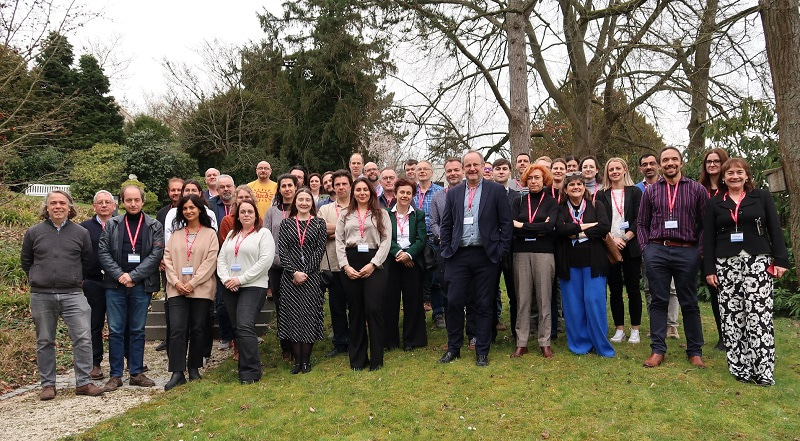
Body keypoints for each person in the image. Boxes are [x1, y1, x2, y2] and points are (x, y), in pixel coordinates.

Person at [704, 158, 788, 385]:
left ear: (747, 176)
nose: (734, 176)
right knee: (732, 316)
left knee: (758, 315)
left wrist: (780, 260)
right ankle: (739, 367)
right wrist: (709, 269)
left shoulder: (760, 197)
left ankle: (763, 370)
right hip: (726, 264)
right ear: (723, 177)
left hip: (757, 262)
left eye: (739, 172)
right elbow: (708, 238)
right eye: (729, 173)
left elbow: (775, 229)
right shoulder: (714, 203)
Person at [21, 190, 105, 400]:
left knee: (83, 338)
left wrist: (75, 278)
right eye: (53, 203)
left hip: (73, 293)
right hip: (42, 294)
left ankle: (84, 382)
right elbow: (26, 261)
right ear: (47, 208)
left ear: (70, 207)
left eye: (62, 203)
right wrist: (37, 277)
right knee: (45, 340)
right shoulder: (33, 232)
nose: (58, 207)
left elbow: (87, 261)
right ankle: (48, 385)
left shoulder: (81, 233)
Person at [438, 151, 512, 367]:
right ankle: (454, 348)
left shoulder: (496, 191)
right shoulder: (454, 193)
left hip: (486, 255)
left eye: (475, 165)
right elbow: (446, 224)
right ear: (462, 168)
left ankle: (482, 350)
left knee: (483, 304)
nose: (471, 169)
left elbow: (506, 224)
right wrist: (446, 246)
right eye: (467, 165)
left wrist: (500, 252)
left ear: (482, 167)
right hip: (458, 255)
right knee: (454, 302)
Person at [637, 146, 707, 369]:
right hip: (657, 249)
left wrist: (699, 251)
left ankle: (694, 351)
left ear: (681, 162)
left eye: (674, 159)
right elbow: (641, 223)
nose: (669, 163)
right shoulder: (651, 191)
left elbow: (705, 224)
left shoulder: (696, 189)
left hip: (687, 250)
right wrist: (646, 249)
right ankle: (658, 350)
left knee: (689, 302)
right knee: (658, 301)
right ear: (659, 164)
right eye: (665, 160)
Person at [98, 185, 164, 391]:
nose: (133, 204)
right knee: (116, 330)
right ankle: (115, 375)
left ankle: (136, 372)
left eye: (137, 200)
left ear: (143, 201)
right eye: (129, 200)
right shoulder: (112, 224)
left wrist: (133, 276)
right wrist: (120, 275)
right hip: (115, 285)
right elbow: (103, 251)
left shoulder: (154, 225)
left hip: (141, 285)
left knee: (137, 330)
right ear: (122, 202)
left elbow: (156, 255)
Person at [162, 195, 219, 391]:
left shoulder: (210, 234)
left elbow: (211, 261)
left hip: (201, 290)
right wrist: (177, 282)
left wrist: (193, 283)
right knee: (177, 329)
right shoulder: (176, 234)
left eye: (192, 207)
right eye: (185, 208)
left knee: (197, 329)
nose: (188, 211)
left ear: (200, 210)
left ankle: (194, 367)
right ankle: (177, 372)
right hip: (176, 289)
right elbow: (167, 260)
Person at [335, 177, 392, 371]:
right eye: (358, 189)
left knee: (373, 308)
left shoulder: (381, 213)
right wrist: (345, 266)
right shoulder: (345, 214)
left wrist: (374, 264)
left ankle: (376, 359)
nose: (362, 193)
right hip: (351, 263)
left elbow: (386, 241)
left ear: (371, 192)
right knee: (356, 311)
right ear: (353, 192)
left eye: (365, 190)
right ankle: (358, 359)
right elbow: (339, 242)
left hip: (374, 263)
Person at [555, 173, 614, 358]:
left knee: (594, 302)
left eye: (579, 184)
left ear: (584, 187)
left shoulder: (597, 205)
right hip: (569, 263)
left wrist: (576, 233)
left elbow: (604, 226)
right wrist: (585, 227)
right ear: (565, 189)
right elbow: (559, 228)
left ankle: (599, 343)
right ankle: (580, 344)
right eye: (571, 184)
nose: (576, 187)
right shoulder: (561, 207)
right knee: (573, 306)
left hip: (594, 263)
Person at [218, 200, 274, 384]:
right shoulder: (232, 235)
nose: (246, 215)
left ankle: (251, 371)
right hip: (230, 286)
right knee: (238, 328)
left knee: (244, 325)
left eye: (250, 211)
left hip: (254, 286)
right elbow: (221, 259)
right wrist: (226, 279)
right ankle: (243, 367)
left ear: (256, 215)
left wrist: (240, 279)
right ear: (238, 215)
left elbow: (265, 262)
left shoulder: (263, 234)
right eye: (243, 211)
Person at [277, 188, 328, 374]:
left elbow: (319, 250)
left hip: (312, 277)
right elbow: (283, 252)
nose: (304, 203)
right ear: (295, 202)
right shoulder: (286, 224)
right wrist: (294, 272)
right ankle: (296, 361)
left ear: (312, 203)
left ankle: (306, 360)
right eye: (301, 199)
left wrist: (304, 272)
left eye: (307, 199)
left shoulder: (319, 224)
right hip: (290, 279)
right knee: (292, 318)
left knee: (308, 317)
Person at [510, 164, 559, 358]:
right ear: (525, 181)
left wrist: (523, 225)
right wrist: (537, 227)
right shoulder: (518, 201)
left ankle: (544, 342)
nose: (533, 181)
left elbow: (550, 228)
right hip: (521, 253)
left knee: (544, 298)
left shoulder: (551, 202)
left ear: (544, 179)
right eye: (530, 178)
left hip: (544, 253)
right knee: (522, 299)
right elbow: (511, 226)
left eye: (537, 178)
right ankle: (521, 342)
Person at [599, 158, 644, 344]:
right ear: (607, 173)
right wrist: (613, 240)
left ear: (625, 170)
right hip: (610, 246)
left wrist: (625, 238)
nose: (615, 172)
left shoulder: (635, 192)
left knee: (633, 289)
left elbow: (640, 219)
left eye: (618, 168)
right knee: (615, 289)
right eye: (611, 169)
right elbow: (600, 220)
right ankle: (619, 329)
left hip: (630, 245)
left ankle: (635, 329)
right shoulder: (602, 194)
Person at [637, 152, 680, 338]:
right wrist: (645, 247)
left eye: (652, 163)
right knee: (650, 287)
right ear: (641, 168)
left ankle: (672, 325)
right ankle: (657, 325)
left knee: (671, 288)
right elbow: (640, 221)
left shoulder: (673, 185)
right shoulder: (637, 189)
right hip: (651, 245)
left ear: (658, 166)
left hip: (674, 243)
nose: (649, 167)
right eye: (644, 164)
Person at [384, 178, 428, 351]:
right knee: (389, 301)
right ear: (395, 194)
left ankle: (412, 340)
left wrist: (409, 255)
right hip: (392, 262)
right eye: (402, 192)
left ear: (413, 196)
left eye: (408, 193)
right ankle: (390, 341)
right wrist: (399, 253)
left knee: (413, 301)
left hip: (412, 263)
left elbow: (421, 239)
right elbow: (385, 237)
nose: (405, 195)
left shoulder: (419, 215)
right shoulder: (386, 214)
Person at [79, 190, 117, 380]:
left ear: (114, 206)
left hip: (117, 282)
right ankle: (95, 363)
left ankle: (123, 361)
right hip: (93, 282)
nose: (103, 205)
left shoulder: (121, 225)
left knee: (118, 324)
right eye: (99, 202)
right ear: (94, 206)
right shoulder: (84, 228)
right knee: (94, 325)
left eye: (107, 202)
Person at [265, 174, 299, 361]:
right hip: (277, 266)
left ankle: (299, 343)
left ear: (296, 187)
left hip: (298, 266)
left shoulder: (302, 208)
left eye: (290, 185)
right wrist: (275, 259)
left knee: (298, 305)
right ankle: (285, 346)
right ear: (279, 189)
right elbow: (267, 237)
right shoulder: (272, 212)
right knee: (282, 307)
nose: (287, 189)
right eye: (283, 186)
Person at [699, 148, 731, 351]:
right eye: (709, 161)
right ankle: (723, 336)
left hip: (729, 246)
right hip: (707, 249)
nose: (712, 165)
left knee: (731, 294)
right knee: (715, 294)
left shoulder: (730, 187)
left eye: (716, 161)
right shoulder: (699, 188)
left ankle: (736, 335)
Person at [319, 170, 353, 357]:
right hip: (332, 263)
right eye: (337, 184)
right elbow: (320, 230)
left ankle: (355, 339)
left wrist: (335, 230)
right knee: (336, 305)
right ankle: (340, 342)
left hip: (354, 262)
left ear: (350, 185)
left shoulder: (358, 207)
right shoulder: (325, 209)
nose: (340, 187)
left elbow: (359, 232)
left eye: (344, 184)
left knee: (355, 305)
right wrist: (346, 228)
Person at [430, 158, 466, 331]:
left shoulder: (471, 194)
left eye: (456, 170)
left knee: (470, 290)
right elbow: (433, 222)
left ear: (463, 171)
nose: (453, 173)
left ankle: (472, 330)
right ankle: (452, 329)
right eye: (449, 171)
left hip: (468, 248)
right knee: (447, 288)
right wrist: (443, 237)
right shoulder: (438, 197)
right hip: (445, 249)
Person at [491, 157, 520, 334]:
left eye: (504, 169)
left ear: (510, 172)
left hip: (512, 249)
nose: (501, 171)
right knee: (489, 292)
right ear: (492, 172)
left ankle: (517, 331)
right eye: (497, 169)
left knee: (514, 293)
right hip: (491, 250)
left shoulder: (517, 197)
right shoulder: (487, 194)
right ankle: (490, 329)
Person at [414, 160, 445, 322]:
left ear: (432, 172)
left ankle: (438, 312)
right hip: (415, 240)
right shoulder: (410, 191)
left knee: (435, 278)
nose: (422, 171)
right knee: (416, 278)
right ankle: (416, 312)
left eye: (426, 169)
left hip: (434, 239)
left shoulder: (440, 192)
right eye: (419, 169)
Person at [164, 179, 218, 245]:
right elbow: (168, 236)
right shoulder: (172, 213)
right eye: (187, 190)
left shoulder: (209, 213)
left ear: (200, 193)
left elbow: (212, 237)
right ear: (182, 193)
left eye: (194, 190)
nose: (190, 193)